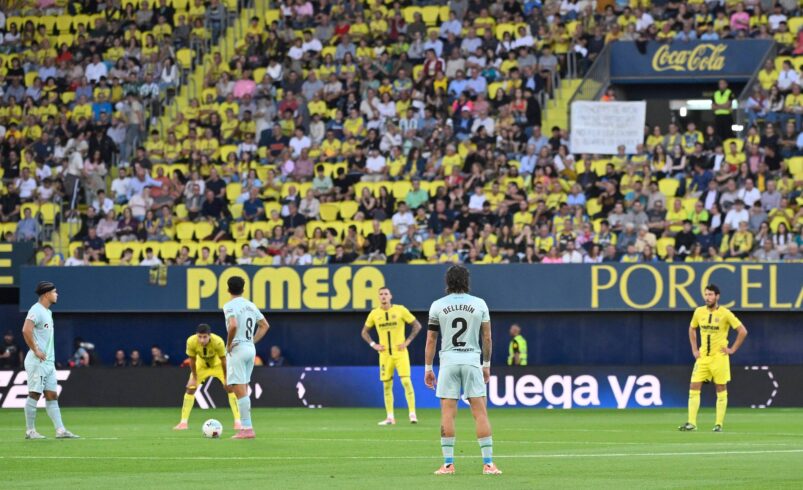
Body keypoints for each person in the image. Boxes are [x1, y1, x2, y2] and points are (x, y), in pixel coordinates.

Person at [424, 266, 501, 475]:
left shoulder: (437, 305)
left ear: (448, 282)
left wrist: (428, 368)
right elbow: (487, 338)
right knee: (480, 413)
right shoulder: (479, 304)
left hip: (448, 362)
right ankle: (488, 464)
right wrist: (486, 365)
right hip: (472, 361)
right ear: (467, 281)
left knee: (447, 413)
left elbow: (431, 339)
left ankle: (448, 464)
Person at [679, 284, 748, 433]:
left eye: (710, 294)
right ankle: (691, 423)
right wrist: (694, 349)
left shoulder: (725, 313)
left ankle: (718, 424)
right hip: (703, 357)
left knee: (721, 388)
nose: (707, 297)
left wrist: (732, 349)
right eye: (706, 294)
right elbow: (692, 328)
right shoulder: (699, 312)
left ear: (717, 296)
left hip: (719, 358)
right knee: (693, 387)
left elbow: (742, 331)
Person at [21, 281, 79, 439]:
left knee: (52, 395)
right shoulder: (36, 310)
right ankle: (30, 431)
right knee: (34, 394)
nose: (57, 294)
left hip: (48, 363)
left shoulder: (48, 312)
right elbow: (26, 330)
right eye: (54, 292)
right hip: (37, 361)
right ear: (46, 294)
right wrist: (36, 350)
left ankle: (60, 430)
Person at [361, 287, 423, 425]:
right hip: (384, 354)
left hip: (400, 352)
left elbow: (417, 325)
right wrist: (373, 344)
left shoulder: (400, 310)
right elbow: (364, 332)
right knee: (387, 385)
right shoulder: (374, 314)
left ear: (391, 296)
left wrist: (407, 342)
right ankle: (390, 417)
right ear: (379, 297)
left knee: (406, 382)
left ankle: (412, 414)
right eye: (381, 294)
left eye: (386, 294)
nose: (383, 296)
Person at [224, 276, 270, 439]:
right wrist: (252, 341)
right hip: (250, 349)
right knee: (242, 387)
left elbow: (234, 325)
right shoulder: (251, 305)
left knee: (240, 390)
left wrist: (229, 344)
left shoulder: (229, 305)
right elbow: (265, 325)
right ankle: (246, 427)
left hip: (237, 348)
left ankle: (247, 429)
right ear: (243, 289)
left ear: (228, 289)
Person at [174, 324, 241, 431]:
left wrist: (226, 377)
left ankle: (238, 422)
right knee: (190, 389)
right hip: (201, 365)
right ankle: (183, 423)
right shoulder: (191, 341)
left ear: (209, 336)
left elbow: (224, 360)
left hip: (217, 365)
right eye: (200, 337)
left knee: (229, 387)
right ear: (196, 335)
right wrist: (194, 378)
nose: (202, 340)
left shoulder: (218, 341)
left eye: (205, 337)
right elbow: (192, 360)